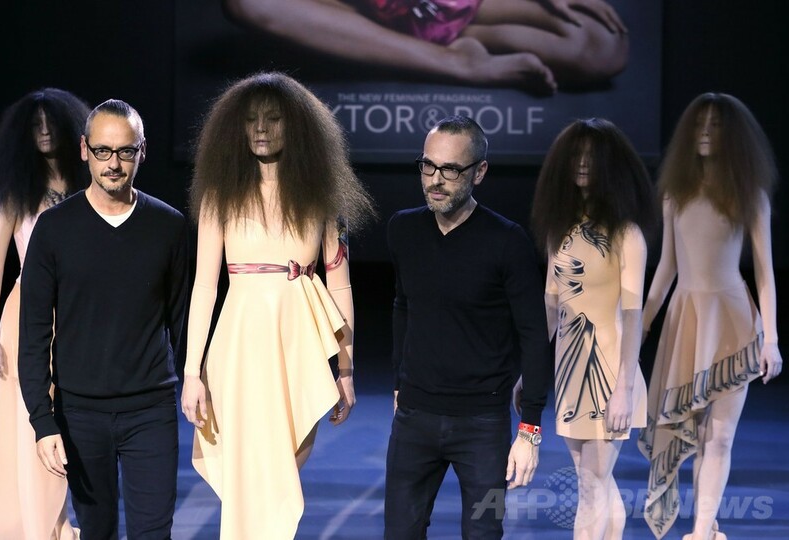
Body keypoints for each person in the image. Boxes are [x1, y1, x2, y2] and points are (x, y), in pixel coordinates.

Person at [180, 71, 375, 539]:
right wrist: (191, 372)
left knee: (284, 469)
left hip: (298, 347)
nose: (261, 129)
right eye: (251, 120)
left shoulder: (322, 197)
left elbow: (341, 286)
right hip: (238, 349)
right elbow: (204, 286)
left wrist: (346, 369)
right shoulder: (219, 195)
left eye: (273, 118)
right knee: (248, 475)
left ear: (297, 126)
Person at [18, 99, 189, 539]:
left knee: (154, 532)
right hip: (79, 414)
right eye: (102, 151)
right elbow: (33, 333)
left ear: (142, 151)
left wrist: (198, 383)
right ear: (84, 150)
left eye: (125, 151)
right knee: (96, 532)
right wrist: (42, 422)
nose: (113, 163)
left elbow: (182, 323)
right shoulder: (54, 228)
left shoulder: (168, 226)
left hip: (151, 409)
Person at [385, 115, 550, 538]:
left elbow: (534, 336)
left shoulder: (507, 241)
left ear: (479, 172)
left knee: (483, 533)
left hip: (484, 426)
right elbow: (403, 305)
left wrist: (529, 431)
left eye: (451, 169)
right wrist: (399, 383)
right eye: (428, 166)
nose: (436, 180)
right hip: (414, 419)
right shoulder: (403, 229)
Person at [637, 93, 783, 540]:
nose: (704, 132)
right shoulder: (675, 194)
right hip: (686, 320)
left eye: (715, 125)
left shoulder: (750, 195)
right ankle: (708, 523)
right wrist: (640, 326)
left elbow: (765, 273)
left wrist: (772, 340)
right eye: (699, 124)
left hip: (733, 322)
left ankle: (701, 531)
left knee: (719, 437)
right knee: (695, 434)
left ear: (731, 135)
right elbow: (666, 267)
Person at [529, 117, 656, 538]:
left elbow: (633, 315)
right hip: (569, 371)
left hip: (610, 372)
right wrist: (529, 371)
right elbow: (551, 306)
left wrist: (624, 389)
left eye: (592, 156)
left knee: (590, 485)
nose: (582, 163)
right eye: (576, 155)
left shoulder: (627, 235)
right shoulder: (559, 229)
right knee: (597, 481)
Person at [0, 88, 89, 539]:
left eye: (51, 123)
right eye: (35, 124)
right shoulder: (16, 190)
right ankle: (44, 528)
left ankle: (65, 524)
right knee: (31, 426)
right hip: (26, 315)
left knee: (78, 421)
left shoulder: (88, 184)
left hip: (80, 312)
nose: (44, 132)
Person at [221, 0, 629, 94]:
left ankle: (454, 40)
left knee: (602, 47)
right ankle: (455, 62)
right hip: (363, 15)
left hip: (467, 8)